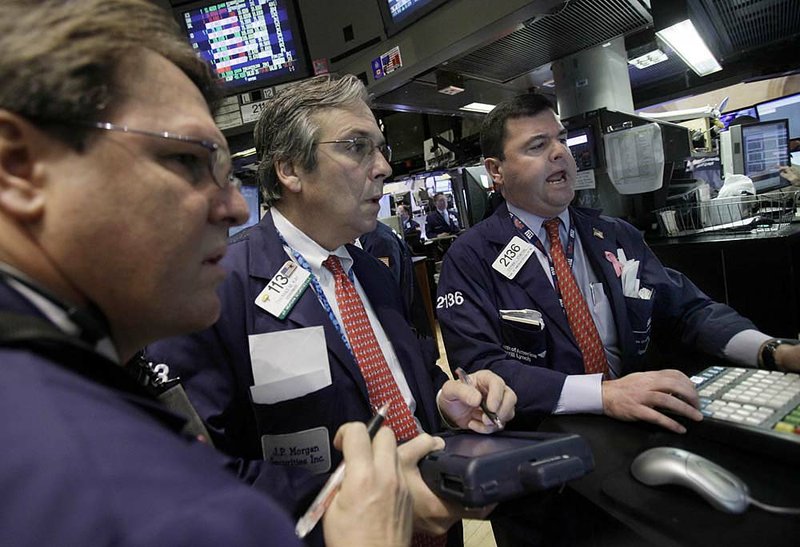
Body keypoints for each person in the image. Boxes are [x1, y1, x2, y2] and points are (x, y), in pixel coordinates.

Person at [0, 1, 414, 546]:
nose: (236, 208)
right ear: (20, 168)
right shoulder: (83, 467)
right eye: (187, 160)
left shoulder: (376, 264)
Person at [147, 74, 517, 544]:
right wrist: (345, 507)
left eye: (380, 148)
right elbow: (195, 469)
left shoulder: (376, 271)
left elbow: (410, 375)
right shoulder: (220, 286)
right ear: (290, 169)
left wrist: (446, 400)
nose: (383, 166)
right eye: (356, 147)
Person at [436, 93, 800, 436]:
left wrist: (771, 350)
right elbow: (482, 369)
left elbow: (688, 310)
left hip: (637, 422)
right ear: (495, 171)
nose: (560, 153)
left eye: (561, 140)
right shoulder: (470, 257)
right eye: (537, 145)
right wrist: (604, 395)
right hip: (547, 439)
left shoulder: (614, 235)